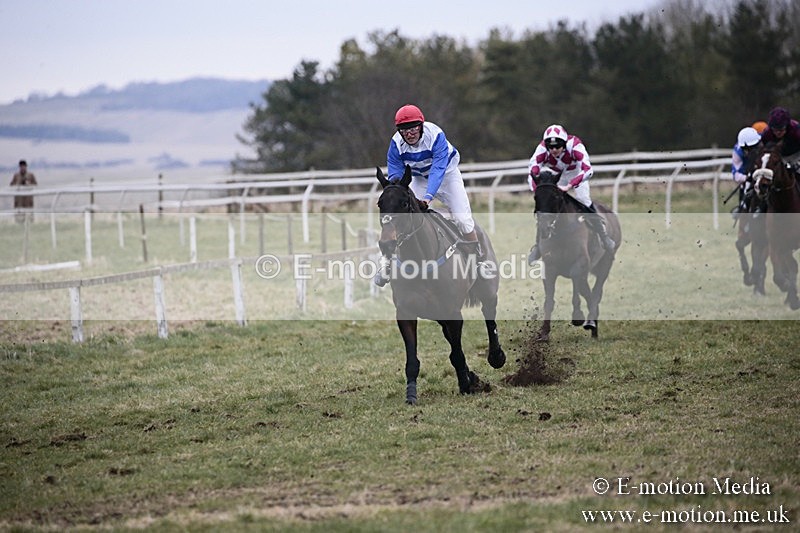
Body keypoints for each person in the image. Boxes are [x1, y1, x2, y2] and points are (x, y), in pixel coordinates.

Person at [375, 104, 480, 286]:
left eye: (414, 128)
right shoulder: (395, 144)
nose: (409, 133)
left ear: (421, 126)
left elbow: (438, 169)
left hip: (447, 175)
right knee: (403, 216)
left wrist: (428, 197)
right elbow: (395, 174)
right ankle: (387, 264)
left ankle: (479, 260)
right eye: (404, 130)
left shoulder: (436, 135)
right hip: (419, 177)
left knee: (463, 220)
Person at [526, 124, 615, 262]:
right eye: (551, 147)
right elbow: (533, 171)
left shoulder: (575, 145)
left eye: (558, 146)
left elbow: (588, 170)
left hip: (577, 174)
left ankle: (603, 236)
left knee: (583, 199)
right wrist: (539, 190)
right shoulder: (542, 149)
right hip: (556, 175)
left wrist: (569, 185)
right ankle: (538, 246)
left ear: (565, 143)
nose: (554, 150)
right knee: (546, 207)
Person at [731, 126, 762, 215]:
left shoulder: (764, 140)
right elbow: (736, 175)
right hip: (749, 175)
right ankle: (744, 208)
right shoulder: (737, 152)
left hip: (764, 171)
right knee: (747, 188)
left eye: (752, 148)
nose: (749, 152)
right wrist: (747, 178)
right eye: (746, 149)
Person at [760, 107, 800, 175]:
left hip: (797, 154)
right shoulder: (766, 134)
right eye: (775, 130)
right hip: (780, 156)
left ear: (787, 126)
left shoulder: (796, 130)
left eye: (781, 129)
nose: (778, 133)